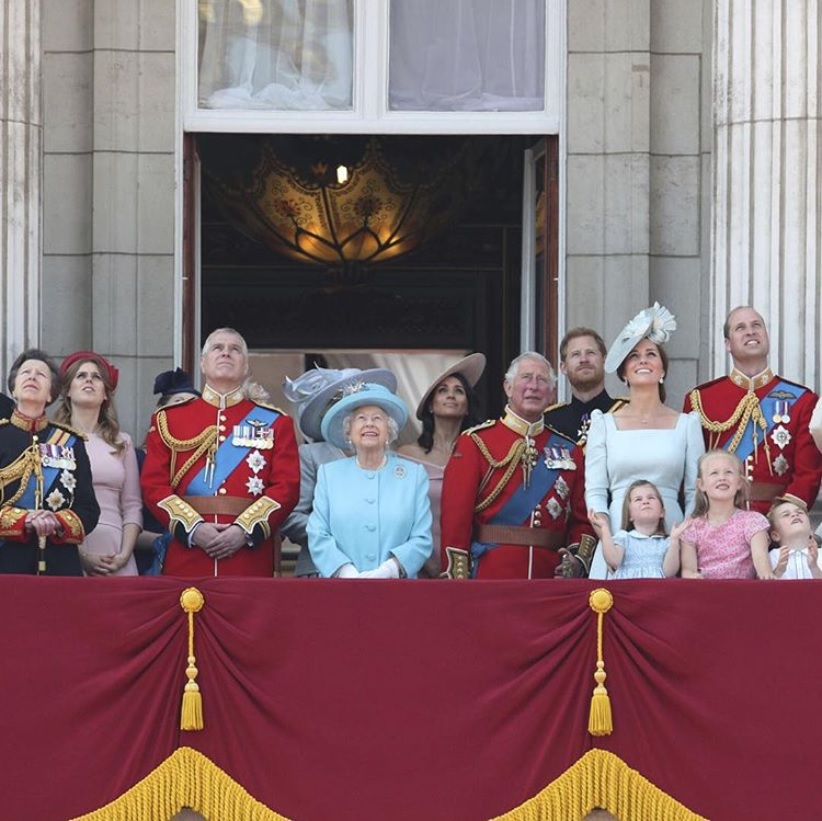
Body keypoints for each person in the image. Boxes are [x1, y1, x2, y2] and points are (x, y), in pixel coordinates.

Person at [141, 328, 300, 577]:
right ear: (203, 364)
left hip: (248, 557)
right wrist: (193, 529)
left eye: (235, 349)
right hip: (188, 553)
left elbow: (286, 488)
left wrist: (244, 530)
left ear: (246, 367)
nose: (226, 352)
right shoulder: (168, 419)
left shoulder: (276, 422)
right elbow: (153, 486)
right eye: (218, 348)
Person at [440, 352, 595, 579]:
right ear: (508, 387)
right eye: (526, 377)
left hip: (550, 579)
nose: (533, 386)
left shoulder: (571, 450)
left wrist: (576, 560)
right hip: (490, 577)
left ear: (552, 394)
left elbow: (583, 519)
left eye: (542, 380)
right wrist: (458, 579)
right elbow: (455, 519)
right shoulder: (475, 442)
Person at [585, 303, 704, 579]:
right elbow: (596, 491)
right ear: (624, 373)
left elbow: (694, 493)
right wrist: (606, 533)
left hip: (671, 535)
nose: (642, 360)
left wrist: (684, 537)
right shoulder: (603, 423)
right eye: (634, 356)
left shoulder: (687, 424)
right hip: (617, 534)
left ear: (662, 369)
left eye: (651, 354)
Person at [684, 305, 822, 514]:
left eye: (757, 325)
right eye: (740, 327)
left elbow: (808, 473)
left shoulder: (802, 400)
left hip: (776, 522)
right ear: (727, 344)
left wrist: (782, 519)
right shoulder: (701, 400)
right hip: (719, 521)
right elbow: (691, 473)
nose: (750, 331)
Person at [281, 364, 398, 577]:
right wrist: (340, 533)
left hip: (379, 571)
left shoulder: (390, 460)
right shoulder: (311, 454)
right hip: (321, 570)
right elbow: (292, 517)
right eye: (341, 400)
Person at [307, 382, 432, 578]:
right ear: (348, 432)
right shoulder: (329, 474)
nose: (369, 424)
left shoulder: (414, 476)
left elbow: (422, 539)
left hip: (397, 590)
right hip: (340, 590)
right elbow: (318, 534)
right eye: (361, 418)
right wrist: (345, 571)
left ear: (389, 431)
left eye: (378, 418)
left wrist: (389, 570)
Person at [0, 349, 100, 575]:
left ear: (51, 394)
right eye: (26, 372)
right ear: (14, 388)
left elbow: (89, 510)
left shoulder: (71, 442)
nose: (33, 377)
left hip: (60, 563)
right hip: (6, 561)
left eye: (41, 375)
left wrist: (56, 521)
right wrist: (22, 520)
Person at [53, 351, 142, 576]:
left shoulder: (122, 442)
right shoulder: (52, 440)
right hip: (68, 549)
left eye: (96, 377)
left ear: (105, 395)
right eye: (81, 376)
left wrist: (123, 555)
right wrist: (80, 556)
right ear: (67, 391)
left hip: (116, 549)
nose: (89, 380)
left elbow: (132, 506)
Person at [397, 352, 485, 577]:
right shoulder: (406, 456)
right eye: (443, 390)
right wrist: (424, 562)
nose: (451, 396)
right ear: (430, 406)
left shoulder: (482, 456)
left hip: (470, 566)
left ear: (467, 406)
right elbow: (398, 516)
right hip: (417, 564)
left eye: (459, 391)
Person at [134, 368, 202, 574]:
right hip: (149, 563)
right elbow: (127, 521)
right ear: (159, 413)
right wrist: (171, 539)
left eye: (194, 407)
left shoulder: (206, 466)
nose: (186, 410)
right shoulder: (138, 459)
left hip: (198, 559)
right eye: (179, 403)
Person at [679, 450, 772, 579]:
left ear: (739, 482)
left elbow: (762, 563)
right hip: (706, 593)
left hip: (744, 594)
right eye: (714, 473)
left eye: (728, 472)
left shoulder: (753, 521)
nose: (722, 478)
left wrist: (766, 575)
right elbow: (688, 571)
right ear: (701, 484)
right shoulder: (691, 527)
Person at [588, 479, 685, 579]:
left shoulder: (666, 542)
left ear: (662, 512)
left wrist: (674, 541)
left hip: (657, 592)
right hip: (628, 591)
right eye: (638, 499)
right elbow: (613, 561)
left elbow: (669, 572)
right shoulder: (624, 538)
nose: (645, 501)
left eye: (651, 498)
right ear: (630, 515)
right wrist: (605, 529)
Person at [545, 327, 624, 444]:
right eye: (575, 354)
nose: (584, 359)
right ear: (563, 367)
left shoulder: (624, 413)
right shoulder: (549, 422)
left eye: (590, 353)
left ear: (604, 361)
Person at [767, 496, 822, 580]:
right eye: (786, 515)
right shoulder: (772, 557)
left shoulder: (820, 554)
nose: (794, 514)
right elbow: (765, 590)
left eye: (800, 512)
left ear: (811, 529)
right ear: (775, 535)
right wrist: (779, 571)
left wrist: (814, 567)